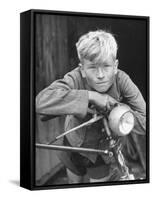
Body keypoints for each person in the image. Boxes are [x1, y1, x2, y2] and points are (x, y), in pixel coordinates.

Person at [36, 30, 146, 183]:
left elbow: (145, 121)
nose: (100, 75)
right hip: (73, 142)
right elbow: (41, 102)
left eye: (106, 66)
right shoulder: (75, 77)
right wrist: (91, 96)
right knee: (74, 183)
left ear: (115, 66)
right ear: (82, 69)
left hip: (102, 152)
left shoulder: (122, 81)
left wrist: (116, 109)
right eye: (93, 67)